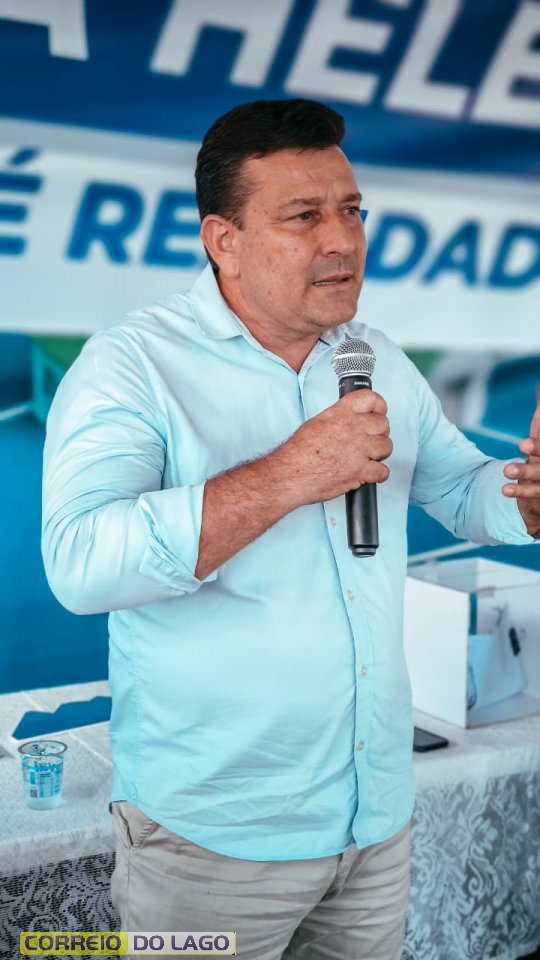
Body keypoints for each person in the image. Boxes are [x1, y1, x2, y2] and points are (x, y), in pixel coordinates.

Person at [41, 99, 540, 960]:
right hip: (212, 845)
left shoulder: (374, 358)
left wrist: (526, 497)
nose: (342, 240)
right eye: (303, 216)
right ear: (223, 240)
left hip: (373, 823)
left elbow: (462, 488)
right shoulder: (133, 366)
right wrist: (291, 473)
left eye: (351, 210)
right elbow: (82, 564)